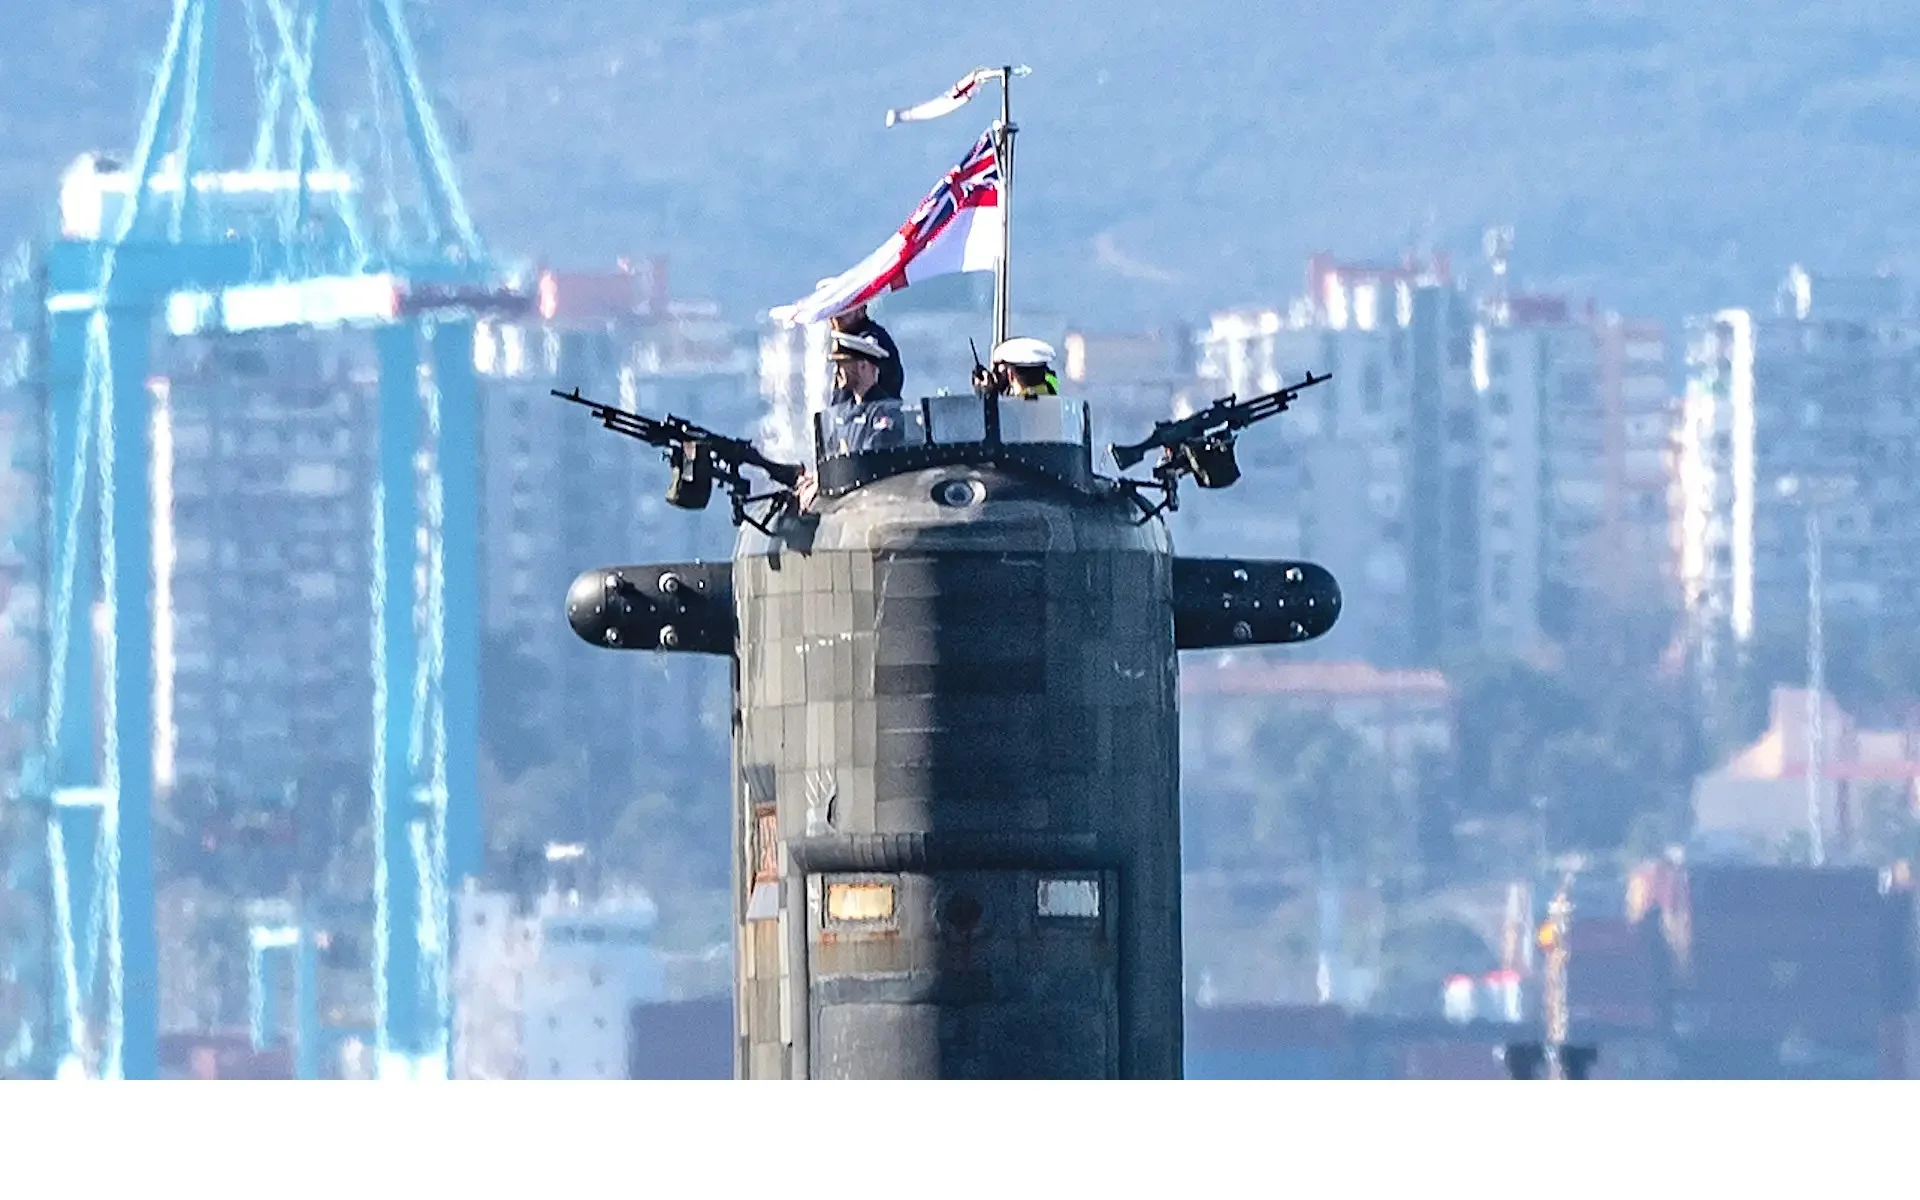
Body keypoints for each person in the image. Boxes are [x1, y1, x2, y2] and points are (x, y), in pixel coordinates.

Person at [795, 330, 903, 511]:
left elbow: (870, 465)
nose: (837, 372)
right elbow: (831, 457)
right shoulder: (843, 416)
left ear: (863, 366)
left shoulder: (884, 413)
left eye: (843, 364)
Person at [830, 302, 904, 402]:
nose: (835, 317)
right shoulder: (845, 338)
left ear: (861, 310)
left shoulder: (873, 339)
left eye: (843, 309)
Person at [972, 336, 1060, 399]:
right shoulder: (1051, 396)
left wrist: (985, 394)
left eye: (998, 372)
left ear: (1010, 375)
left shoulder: (1019, 408)